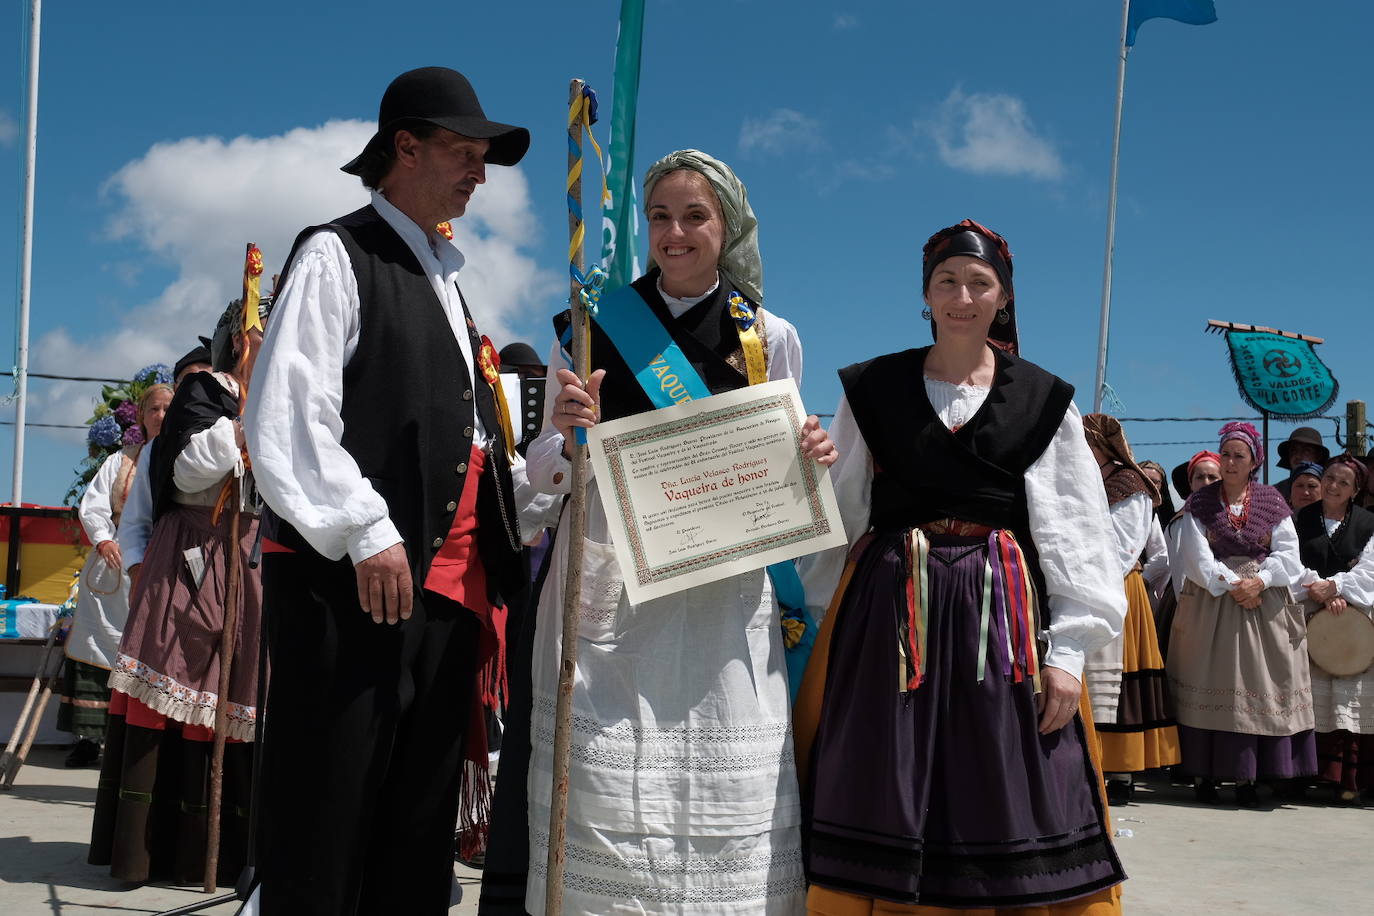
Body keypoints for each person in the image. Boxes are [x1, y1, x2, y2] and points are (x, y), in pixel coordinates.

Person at [245, 67, 532, 916]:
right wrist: (366, 528)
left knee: (412, 839)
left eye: (484, 157)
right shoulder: (339, 252)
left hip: (442, 609)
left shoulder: (448, 280)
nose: (479, 172)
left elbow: (468, 451)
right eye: (462, 152)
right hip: (351, 594)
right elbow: (288, 417)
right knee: (326, 831)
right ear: (404, 147)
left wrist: (548, 462)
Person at [521, 149, 835, 915]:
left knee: (718, 780)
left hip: (722, 597)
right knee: (605, 786)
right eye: (660, 216)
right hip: (613, 590)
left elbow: (787, 467)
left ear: (726, 227)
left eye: (694, 216)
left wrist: (812, 456)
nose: (675, 233)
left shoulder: (770, 335)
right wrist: (566, 436)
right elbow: (538, 469)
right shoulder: (592, 325)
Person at [795, 219, 1126, 914]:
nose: (962, 296)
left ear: (1002, 297)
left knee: (1005, 781)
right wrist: (815, 615)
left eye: (979, 283)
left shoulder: (1042, 400)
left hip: (998, 620)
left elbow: (1074, 531)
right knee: (881, 775)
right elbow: (840, 509)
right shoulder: (873, 389)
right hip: (889, 617)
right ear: (926, 294)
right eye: (947, 281)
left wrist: (1066, 654)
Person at [89, 299, 269, 883]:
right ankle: (147, 852)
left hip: (246, 567)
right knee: (167, 698)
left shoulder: (283, 402)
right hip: (186, 563)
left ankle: (211, 853)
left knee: (228, 702)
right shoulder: (203, 404)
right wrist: (141, 573)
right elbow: (169, 488)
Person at [1165, 422, 1314, 807]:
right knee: (1209, 678)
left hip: (1262, 604)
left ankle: (1249, 777)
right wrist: (1234, 584)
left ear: (1254, 462)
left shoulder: (1271, 502)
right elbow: (1195, 557)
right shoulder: (1200, 503)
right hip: (1213, 600)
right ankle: (1203, 774)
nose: (1230, 462)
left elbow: (1289, 555)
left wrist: (1259, 581)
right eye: (1226, 454)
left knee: (1256, 684)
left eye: (1239, 456)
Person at [58, 382, 173, 767]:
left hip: (164, 568)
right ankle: (89, 738)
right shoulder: (119, 461)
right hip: (115, 566)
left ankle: (149, 740)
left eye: (167, 409)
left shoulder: (186, 461)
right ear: (141, 416)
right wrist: (105, 540)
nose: (160, 416)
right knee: (100, 647)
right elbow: (92, 506)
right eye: (153, 409)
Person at [1081, 415, 1180, 805]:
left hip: (1116, 585)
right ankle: (1086, 762)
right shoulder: (1082, 480)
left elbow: (1124, 547)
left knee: (1117, 679)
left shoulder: (1130, 484)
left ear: (1101, 446)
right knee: (1084, 675)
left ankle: (1120, 770)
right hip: (1082, 585)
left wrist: (1087, 576)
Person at [1295, 455, 1374, 801]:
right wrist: (1322, 591)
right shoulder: (1300, 519)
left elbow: (1369, 570)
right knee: (1309, 693)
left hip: (1353, 617)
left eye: (1343, 481)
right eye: (1329, 478)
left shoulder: (1369, 523)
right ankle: (1305, 773)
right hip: (1309, 611)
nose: (1333, 485)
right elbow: (1290, 561)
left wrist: (1338, 588)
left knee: (1351, 696)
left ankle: (1346, 778)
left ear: (1355, 490)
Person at [1154, 451, 1223, 656]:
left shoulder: (1232, 517)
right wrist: (1191, 616)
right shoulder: (1182, 521)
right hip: (1194, 607)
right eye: (1199, 477)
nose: (1206, 482)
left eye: (1213, 477)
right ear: (1191, 483)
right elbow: (1181, 575)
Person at [1274, 427, 1330, 502]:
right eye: (1293, 451)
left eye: (1306, 451)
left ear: (1318, 456)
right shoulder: (1276, 492)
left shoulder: (1330, 490)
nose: (1298, 456)